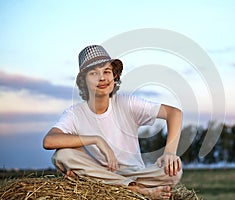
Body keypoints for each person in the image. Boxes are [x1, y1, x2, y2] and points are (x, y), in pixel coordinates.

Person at [43, 45, 183, 199]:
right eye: (93, 73)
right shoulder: (74, 113)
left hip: (130, 174)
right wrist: (97, 140)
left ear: (114, 76)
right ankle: (137, 191)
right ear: (83, 80)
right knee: (63, 154)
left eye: (107, 72)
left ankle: (123, 186)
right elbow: (49, 141)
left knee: (174, 170)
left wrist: (170, 152)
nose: (102, 78)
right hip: (98, 172)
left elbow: (174, 113)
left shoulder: (126, 103)